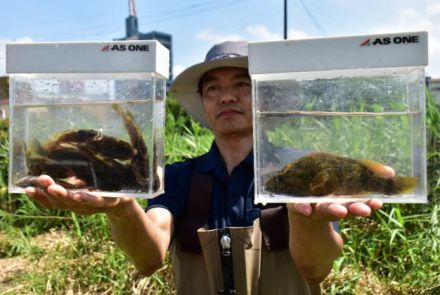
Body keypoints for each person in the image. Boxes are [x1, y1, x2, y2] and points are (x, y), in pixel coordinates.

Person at [25, 41, 390, 295]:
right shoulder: (179, 177)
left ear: (263, 96)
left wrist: (309, 219)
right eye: (212, 87)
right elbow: (149, 257)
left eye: (241, 85)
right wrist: (122, 209)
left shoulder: (303, 170)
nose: (226, 96)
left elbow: (316, 270)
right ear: (203, 101)